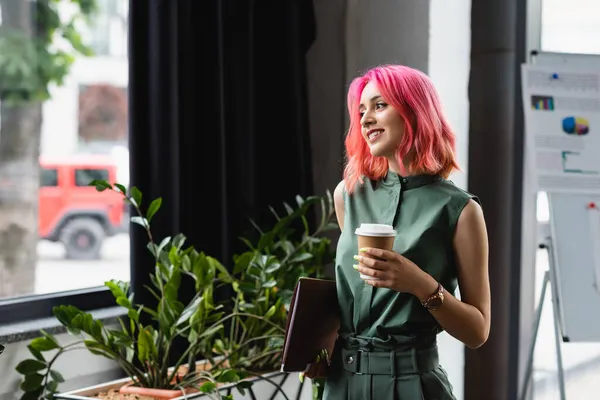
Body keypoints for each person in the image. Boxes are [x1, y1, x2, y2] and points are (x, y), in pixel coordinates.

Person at [304, 64, 491, 399]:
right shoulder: (347, 195)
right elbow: (357, 298)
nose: (365, 119)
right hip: (342, 383)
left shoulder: (460, 210)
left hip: (413, 384)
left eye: (379, 105)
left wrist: (419, 283)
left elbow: (477, 331)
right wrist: (322, 346)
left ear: (414, 110)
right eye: (361, 111)